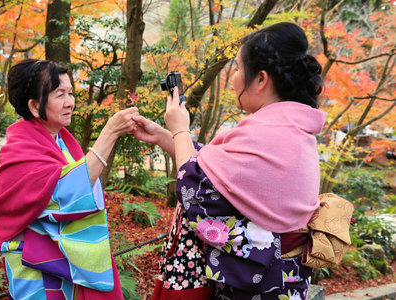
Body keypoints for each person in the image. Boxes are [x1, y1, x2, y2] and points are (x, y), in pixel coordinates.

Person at [133, 22, 327, 299]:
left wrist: (180, 129)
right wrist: (166, 137)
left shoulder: (268, 132)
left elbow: (197, 190)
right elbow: (218, 171)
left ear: (261, 79)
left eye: (237, 67)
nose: (233, 76)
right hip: (284, 284)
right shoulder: (291, 127)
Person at [0, 59, 138, 299]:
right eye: (60, 94)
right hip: (32, 264)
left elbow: (79, 188)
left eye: (70, 93)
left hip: (63, 259)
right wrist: (109, 133)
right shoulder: (20, 148)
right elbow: (65, 193)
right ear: (35, 106)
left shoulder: (62, 140)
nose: (70, 103)